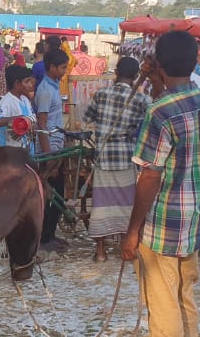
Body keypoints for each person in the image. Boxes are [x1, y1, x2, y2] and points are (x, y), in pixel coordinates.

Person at [120, 31, 200, 337]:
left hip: (161, 223)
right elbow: (171, 100)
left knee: (162, 305)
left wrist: (133, 231)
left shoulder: (159, 113)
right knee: (183, 295)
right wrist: (155, 78)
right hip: (193, 216)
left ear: (158, 63)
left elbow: (150, 177)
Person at [83, 57, 151, 262]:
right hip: (126, 157)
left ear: (116, 72)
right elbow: (146, 128)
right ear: (135, 76)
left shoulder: (101, 94)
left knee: (101, 204)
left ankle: (101, 251)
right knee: (126, 204)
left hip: (103, 157)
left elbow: (87, 119)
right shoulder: (141, 100)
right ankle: (125, 245)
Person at [36, 48, 69, 251]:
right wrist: (49, 156)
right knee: (51, 194)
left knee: (58, 193)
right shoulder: (46, 91)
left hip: (56, 145)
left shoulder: (53, 85)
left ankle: (50, 235)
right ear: (52, 67)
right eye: (63, 67)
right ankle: (45, 238)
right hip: (49, 148)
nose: (65, 71)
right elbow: (42, 124)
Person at [0, 64, 35, 149]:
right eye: (27, 82)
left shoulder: (25, 100)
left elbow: (32, 117)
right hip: (9, 152)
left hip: (24, 148)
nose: (30, 85)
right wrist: (19, 118)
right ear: (17, 84)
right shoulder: (7, 100)